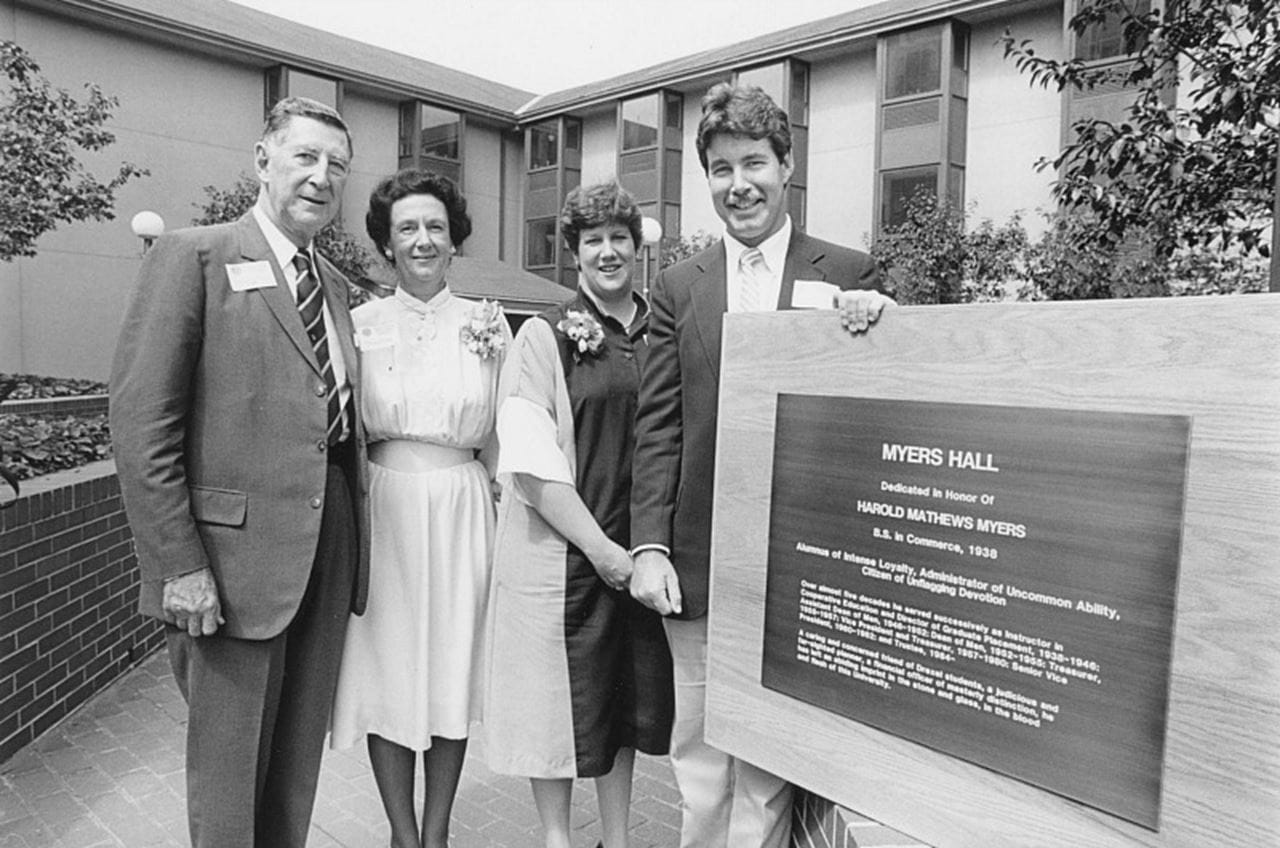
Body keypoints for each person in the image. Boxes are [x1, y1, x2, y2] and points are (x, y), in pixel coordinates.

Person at [628, 82, 893, 848]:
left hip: (808, 563)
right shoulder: (678, 287)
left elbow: (876, 410)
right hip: (703, 561)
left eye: (754, 163)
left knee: (773, 769)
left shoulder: (849, 273)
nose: (738, 184)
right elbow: (658, 426)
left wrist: (882, 331)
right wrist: (649, 545)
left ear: (786, 166)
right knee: (704, 765)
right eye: (720, 168)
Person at [109, 96, 368, 847]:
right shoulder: (192, 257)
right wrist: (177, 567)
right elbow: (142, 426)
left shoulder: (340, 291)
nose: (321, 178)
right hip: (228, 569)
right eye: (305, 158)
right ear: (263, 161)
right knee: (228, 784)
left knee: (292, 775)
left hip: (323, 558)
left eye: (337, 167)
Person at [483, 181, 675, 848]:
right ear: (574, 253)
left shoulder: (662, 328)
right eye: (593, 240)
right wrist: (600, 549)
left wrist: (641, 550)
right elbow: (531, 461)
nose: (608, 251)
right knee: (556, 709)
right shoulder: (544, 336)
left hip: (644, 553)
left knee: (619, 705)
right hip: (566, 555)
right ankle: (559, 839)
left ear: (637, 246)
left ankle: (617, 840)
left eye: (619, 237)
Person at [328, 168, 510, 848]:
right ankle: (403, 837)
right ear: (387, 242)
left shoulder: (489, 325)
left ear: (454, 238)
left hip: (463, 512)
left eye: (435, 225)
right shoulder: (359, 323)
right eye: (407, 227)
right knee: (389, 673)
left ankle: (437, 835)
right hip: (387, 512)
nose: (423, 239)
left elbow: (503, 437)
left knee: (449, 672)